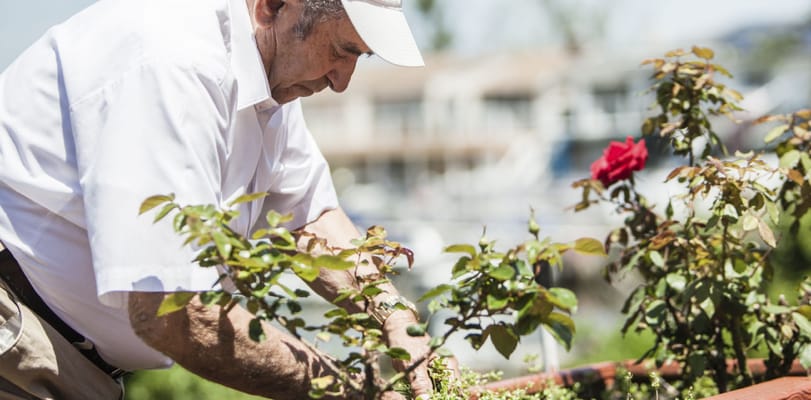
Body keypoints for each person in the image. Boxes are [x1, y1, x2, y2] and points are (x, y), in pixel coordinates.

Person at [0, 0, 440, 398]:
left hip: (58, 357)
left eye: (359, 56)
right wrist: (344, 390)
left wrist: (391, 313)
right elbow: (173, 311)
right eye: (341, 50)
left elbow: (311, 215)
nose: (343, 81)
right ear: (273, 7)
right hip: (15, 334)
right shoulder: (173, 61)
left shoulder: (270, 80)